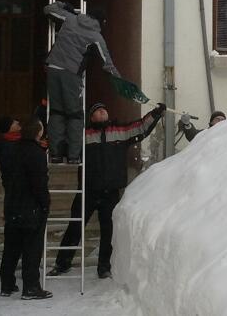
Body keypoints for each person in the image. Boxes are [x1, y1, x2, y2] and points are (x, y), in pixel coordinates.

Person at [48, 101, 166, 279]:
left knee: (108, 230)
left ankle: (104, 266)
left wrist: (155, 114)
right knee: (75, 226)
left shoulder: (119, 131)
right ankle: (62, 263)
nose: (103, 113)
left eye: (105, 110)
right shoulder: (83, 135)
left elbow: (141, 127)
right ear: (92, 117)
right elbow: (65, 146)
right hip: (87, 190)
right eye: (98, 111)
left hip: (110, 191)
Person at [43, 1, 121, 163]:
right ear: (101, 21)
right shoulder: (96, 37)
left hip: (52, 68)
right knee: (75, 115)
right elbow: (107, 63)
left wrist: (64, 5)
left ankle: (55, 154)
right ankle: (73, 156)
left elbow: (48, 9)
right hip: (70, 74)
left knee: (56, 111)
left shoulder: (70, 18)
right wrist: (120, 81)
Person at [0, 118, 52, 300]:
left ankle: (6, 284)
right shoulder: (35, 154)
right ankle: (30, 287)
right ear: (37, 132)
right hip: (31, 208)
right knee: (32, 249)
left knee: (11, 247)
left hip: (12, 204)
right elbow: (39, 183)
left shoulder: (13, 150)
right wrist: (45, 204)